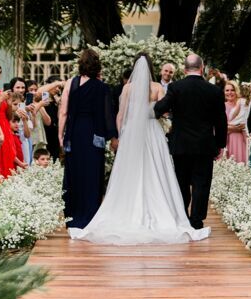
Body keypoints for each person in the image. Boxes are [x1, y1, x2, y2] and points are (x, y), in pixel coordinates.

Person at [70, 53, 209, 243]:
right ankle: (164, 211)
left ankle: (127, 210)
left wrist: (119, 137)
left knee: (131, 172)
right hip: (152, 132)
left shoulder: (127, 88)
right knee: (157, 171)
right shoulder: (158, 87)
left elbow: (120, 115)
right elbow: (163, 112)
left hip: (131, 133)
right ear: (152, 68)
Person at [153, 51, 227, 230]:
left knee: (182, 181)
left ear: (184, 69)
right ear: (201, 69)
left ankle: (183, 215)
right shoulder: (214, 90)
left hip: (181, 144)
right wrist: (220, 144)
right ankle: (197, 220)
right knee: (201, 183)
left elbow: (159, 108)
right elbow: (221, 120)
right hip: (204, 144)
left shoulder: (176, 88)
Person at [62, 48, 118, 230]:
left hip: (75, 132)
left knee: (74, 172)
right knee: (92, 174)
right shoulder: (102, 88)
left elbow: (63, 111)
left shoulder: (72, 83)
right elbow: (108, 114)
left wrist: (60, 135)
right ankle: (91, 215)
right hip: (94, 134)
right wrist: (112, 137)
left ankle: (73, 214)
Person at [220, 79, 249, 163]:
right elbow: (218, 125)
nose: (230, 93)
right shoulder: (221, 106)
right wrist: (234, 128)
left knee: (238, 162)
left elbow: (243, 124)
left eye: (232, 90)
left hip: (238, 138)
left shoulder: (243, 104)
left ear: (237, 91)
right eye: (227, 90)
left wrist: (228, 127)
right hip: (224, 139)